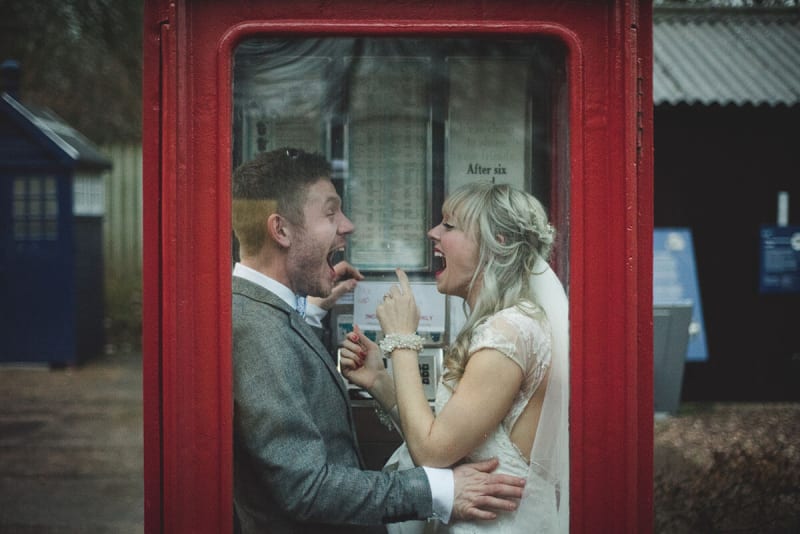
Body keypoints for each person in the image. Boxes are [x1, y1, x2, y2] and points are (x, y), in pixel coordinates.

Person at [231, 148, 527, 534]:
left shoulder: (265, 313)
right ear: (281, 230)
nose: (348, 225)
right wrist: (440, 490)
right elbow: (307, 488)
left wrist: (316, 313)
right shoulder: (256, 327)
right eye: (331, 212)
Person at [340, 182, 569, 533]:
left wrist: (401, 340)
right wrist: (379, 382)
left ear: (498, 242)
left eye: (449, 225)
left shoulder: (508, 333)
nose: (433, 233)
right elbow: (444, 438)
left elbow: (432, 452)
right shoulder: (505, 323)